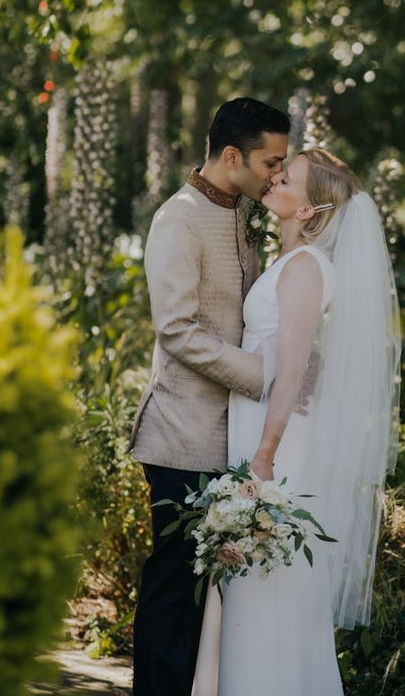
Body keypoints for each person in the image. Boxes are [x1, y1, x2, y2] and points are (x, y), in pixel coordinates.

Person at [192, 149, 402, 696]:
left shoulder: (308, 268)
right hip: (258, 424)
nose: (275, 178)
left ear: (308, 211)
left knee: (267, 579)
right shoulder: (291, 262)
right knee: (252, 578)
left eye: (289, 178)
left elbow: (289, 375)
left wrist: (264, 456)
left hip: (274, 438)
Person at [127, 97, 290, 696]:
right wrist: (264, 375)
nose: (278, 174)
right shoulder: (179, 219)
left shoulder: (245, 212)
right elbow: (176, 329)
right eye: (270, 162)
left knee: (214, 597)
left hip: (234, 436)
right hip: (180, 434)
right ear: (231, 155)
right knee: (174, 589)